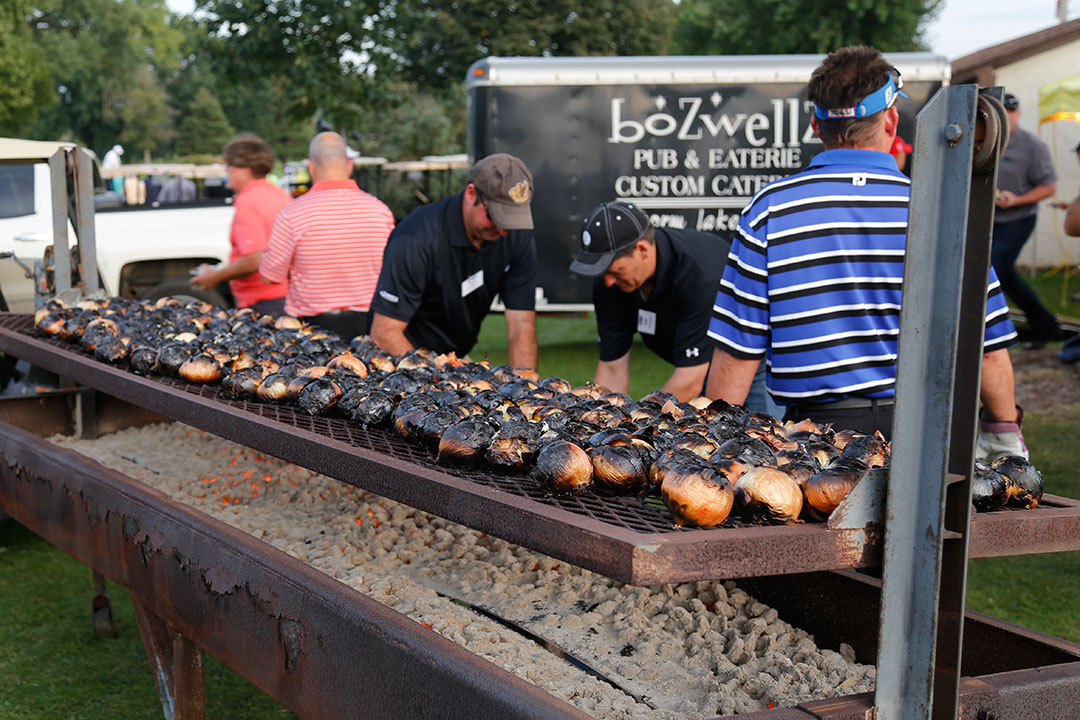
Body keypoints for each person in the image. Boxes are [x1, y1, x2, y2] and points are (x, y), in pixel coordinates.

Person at [704, 45, 1025, 459]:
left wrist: (710, 444)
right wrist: (1002, 430)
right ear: (891, 120)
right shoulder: (943, 208)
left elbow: (736, 353)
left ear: (817, 126)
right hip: (926, 439)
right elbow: (987, 344)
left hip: (813, 446)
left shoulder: (771, 210)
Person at [568, 199, 780, 415]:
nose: (608, 282)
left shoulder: (698, 273)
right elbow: (612, 368)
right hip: (695, 362)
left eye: (614, 271)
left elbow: (689, 380)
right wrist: (600, 421)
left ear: (642, 250)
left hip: (748, 359)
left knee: (754, 430)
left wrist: (638, 421)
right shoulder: (609, 282)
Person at [369, 153, 539, 370]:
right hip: (401, 358)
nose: (504, 230)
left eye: (512, 219)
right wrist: (441, 385)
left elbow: (521, 326)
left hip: (454, 356)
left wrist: (526, 392)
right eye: (497, 217)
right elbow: (384, 332)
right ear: (471, 194)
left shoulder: (517, 236)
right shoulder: (415, 239)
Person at [259, 132, 395, 338]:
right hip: (368, 325)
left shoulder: (293, 214)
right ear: (350, 165)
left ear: (311, 167)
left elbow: (269, 276)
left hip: (311, 330)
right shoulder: (380, 211)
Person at [191, 135, 292, 315]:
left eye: (229, 166)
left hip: (263, 302)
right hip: (287, 296)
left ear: (244, 169)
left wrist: (214, 277)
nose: (226, 171)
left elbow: (255, 259)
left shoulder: (248, 201)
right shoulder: (281, 195)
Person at [992, 92, 1060, 349]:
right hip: (989, 220)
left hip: (1017, 219)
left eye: (1011, 111)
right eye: (1002, 110)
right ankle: (1045, 326)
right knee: (1006, 277)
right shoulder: (987, 139)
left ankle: (992, 338)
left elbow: (1049, 187)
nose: (1007, 116)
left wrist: (1016, 199)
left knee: (991, 273)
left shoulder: (1033, 145)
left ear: (1017, 114)